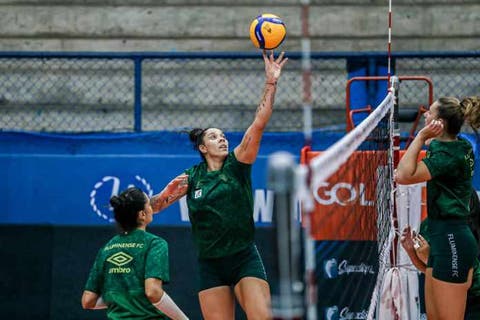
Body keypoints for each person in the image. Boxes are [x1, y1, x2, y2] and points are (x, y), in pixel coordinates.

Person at [149, 50, 288, 320]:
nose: (222, 139)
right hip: (210, 264)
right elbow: (155, 206)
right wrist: (152, 199)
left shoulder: (237, 164)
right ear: (203, 147)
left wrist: (271, 82)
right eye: (214, 137)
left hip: (243, 258)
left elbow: (259, 123)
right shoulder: (191, 177)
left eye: (223, 136)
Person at [396, 96, 480, 319]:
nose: (425, 114)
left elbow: (402, 175)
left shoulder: (447, 156)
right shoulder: (457, 145)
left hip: (453, 240)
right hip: (444, 238)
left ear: (439, 123)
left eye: (430, 112)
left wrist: (422, 135)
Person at [81, 187, 189, 320]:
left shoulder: (107, 248)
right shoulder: (154, 244)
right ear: (142, 214)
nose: (152, 207)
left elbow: (88, 300)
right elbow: (153, 292)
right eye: (149, 204)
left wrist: (122, 296)